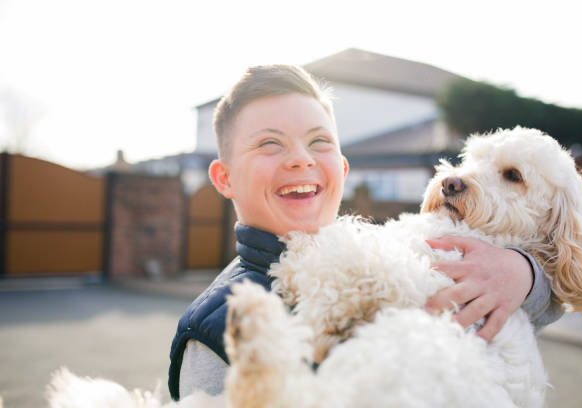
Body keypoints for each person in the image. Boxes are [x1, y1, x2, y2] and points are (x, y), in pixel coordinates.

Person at [168, 64, 562, 400]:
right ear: (225, 178)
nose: (301, 160)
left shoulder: (389, 251)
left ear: (341, 168)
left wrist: (523, 274)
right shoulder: (213, 330)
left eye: (318, 142)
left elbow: (549, 301)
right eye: (270, 144)